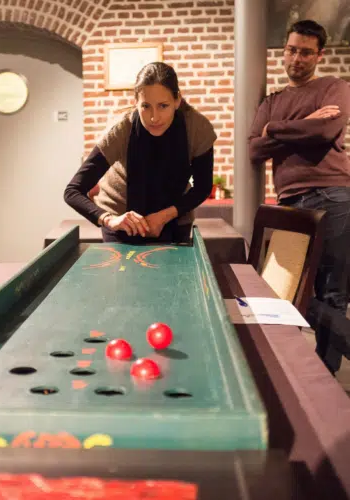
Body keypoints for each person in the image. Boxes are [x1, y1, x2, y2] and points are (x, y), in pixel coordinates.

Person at [249, 19, 350, 375]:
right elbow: (254, 149)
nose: (297, 58)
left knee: (334, 292)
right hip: (290, 204)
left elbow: (327, 130)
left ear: (319, 55)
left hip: (334, 194)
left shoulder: (334, 87)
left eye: (306, 52)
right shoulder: (272, 101)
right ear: (284, 51)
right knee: (287, 290)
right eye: (292, 50)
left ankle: (325, 374)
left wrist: (274, 129)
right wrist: (307, 124)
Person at [64, 62, 216, 244]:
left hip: (175, 221)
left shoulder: (197, 129)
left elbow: (202, 187)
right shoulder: (120, 130)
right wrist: (109, 220)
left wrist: (164, 216)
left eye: (163, 106)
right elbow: (73, 191)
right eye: (145, 106)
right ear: (135, 102)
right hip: (122, 223)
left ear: (177, 101)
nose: (154, 117)